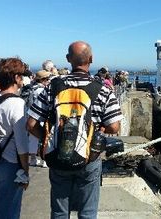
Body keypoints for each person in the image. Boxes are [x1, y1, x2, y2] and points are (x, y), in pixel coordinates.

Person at [27, 41, 123, 219]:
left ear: (68, 59)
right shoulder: (102, 89)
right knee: (87, 211)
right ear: (91, 59)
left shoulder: (52, 87)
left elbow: (31, 124)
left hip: (58, 155)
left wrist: (48, 139)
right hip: (90, 158)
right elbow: (114, 126)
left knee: (59, 211)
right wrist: (98, 129)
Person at [0, 57, 30, 219]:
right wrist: (25, 171)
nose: (23, 79)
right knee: (9, 211)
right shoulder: (17, 104)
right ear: (16, 78)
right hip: (9, 163)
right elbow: (22, 143)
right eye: (22, 75)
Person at [27, 70, 51, 167]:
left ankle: (33, 159)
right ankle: (43, 160)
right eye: (47, 79)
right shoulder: (42, 90)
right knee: (44, 137)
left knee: (32, 139)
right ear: (43, 80)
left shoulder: (32, 88)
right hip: (40, 116)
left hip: (31, 115)